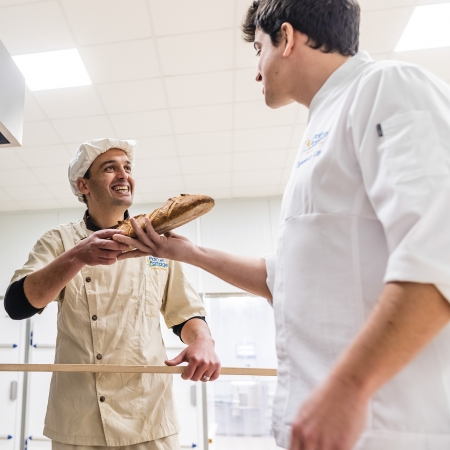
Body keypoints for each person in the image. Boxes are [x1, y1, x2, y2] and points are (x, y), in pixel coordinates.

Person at [111, 1, 450, 449]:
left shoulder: (387, 87)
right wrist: (185, 252)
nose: (256, 70)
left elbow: (437, 250)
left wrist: (350, 386)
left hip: (386, 427)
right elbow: (288, 280)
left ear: (286, 38)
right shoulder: (320, 128)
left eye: (258, 49)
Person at [4, 138, 220, 450]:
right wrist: (76, 257)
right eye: (110, 168)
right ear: (84, 185)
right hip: (78, 420)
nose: (123, 174)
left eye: (127, 167)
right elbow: (17, 305)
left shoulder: (156, 241)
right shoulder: (59, 241)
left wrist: (203, 339)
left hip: (150, 418)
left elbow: (185, 312)